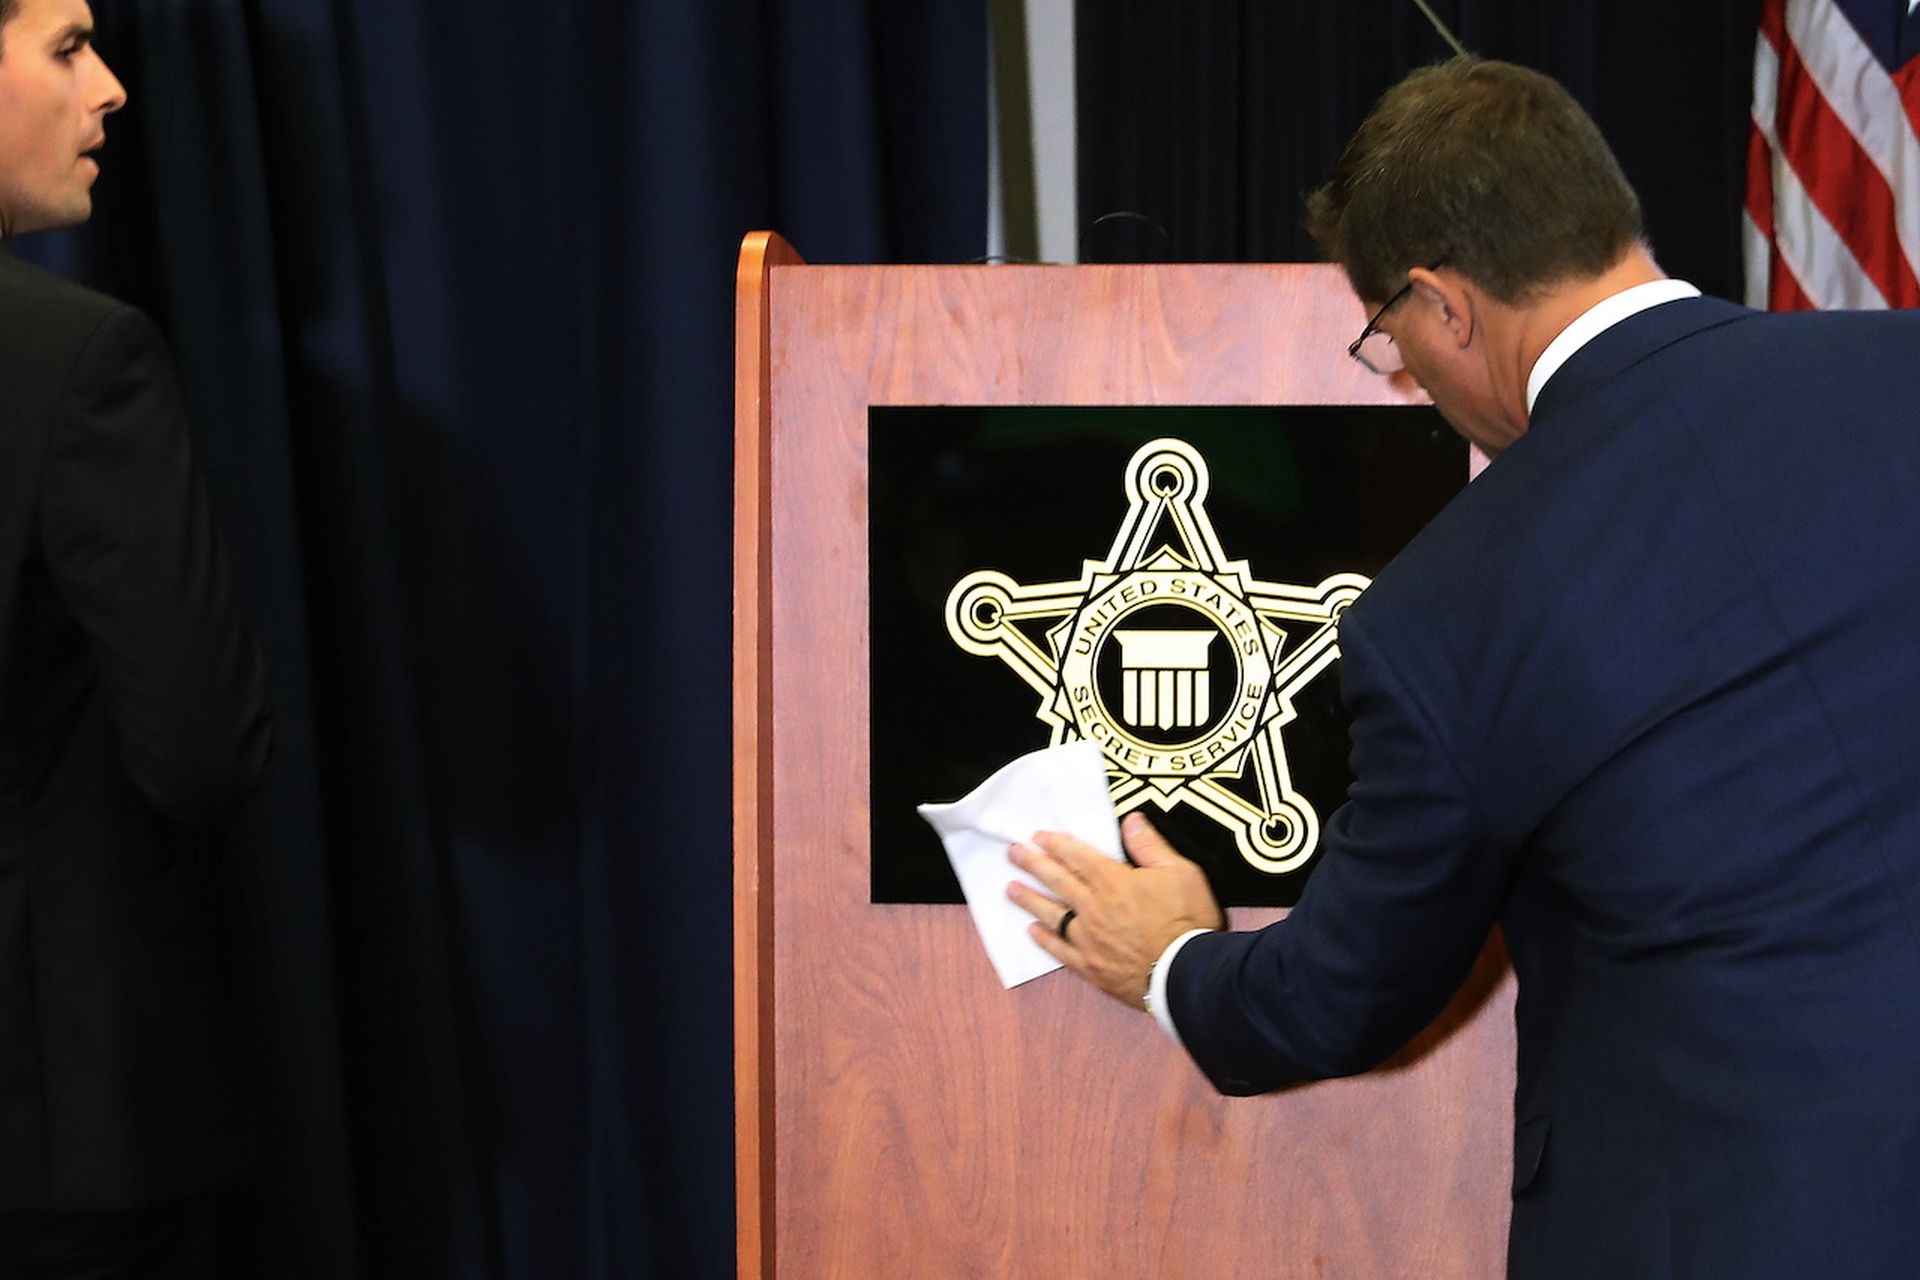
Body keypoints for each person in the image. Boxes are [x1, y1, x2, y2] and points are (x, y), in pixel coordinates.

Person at [1009, 55, 1920, 1278]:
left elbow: (1339, 993)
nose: (1410, 383)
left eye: (1385, 339)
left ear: (1443, 304)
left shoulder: (1448, 603)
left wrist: (1171, 957)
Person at [0, 0, 273, 1273]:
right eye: (65, 47)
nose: (110, 88)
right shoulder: (79, 358)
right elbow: (203, 746)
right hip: (64, 1123)